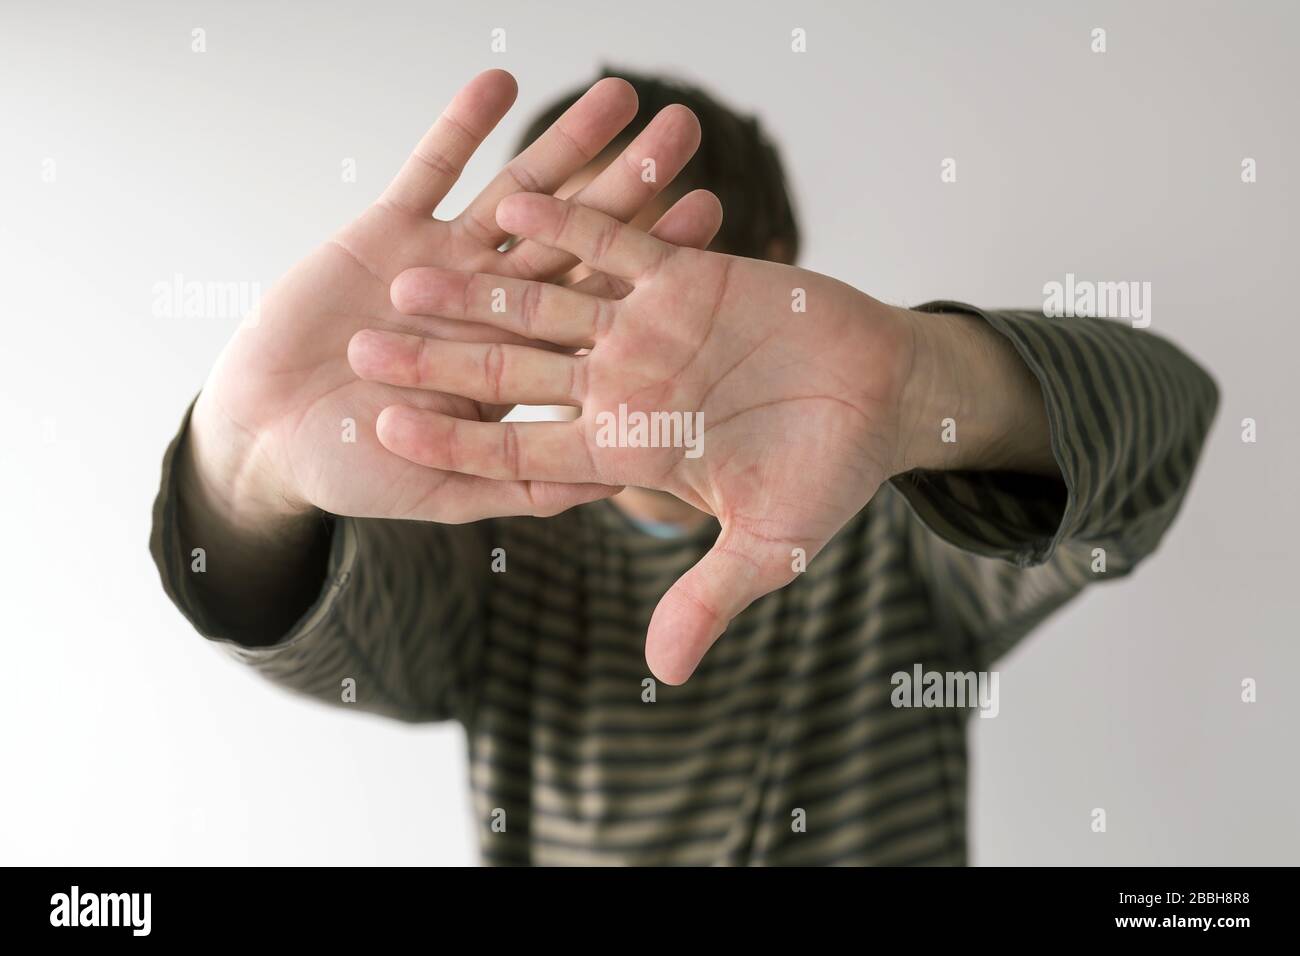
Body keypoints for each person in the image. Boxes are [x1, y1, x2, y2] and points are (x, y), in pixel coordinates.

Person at [150, 69, 1218, 865]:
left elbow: (1162, 431)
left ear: (780, 273)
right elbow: (289, 613)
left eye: (674, 285)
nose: (620, 342)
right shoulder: (488, 559)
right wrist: (246, 461)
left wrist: (915, 378)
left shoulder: (904, 520)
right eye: (572, 275)